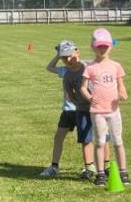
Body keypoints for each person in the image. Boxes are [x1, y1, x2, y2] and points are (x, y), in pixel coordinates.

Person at [80, 28, 131, 186]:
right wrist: (90, 98)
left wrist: (123, 93)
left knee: (118, 142)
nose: (102, 49)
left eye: (105, 46)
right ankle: (100, 173)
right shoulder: (90, 67)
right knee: (100, 142)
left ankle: (123, 172)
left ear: (110, 46)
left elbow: (121, 85)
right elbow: (83, 88)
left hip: (113, 110)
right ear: (92, 47)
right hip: (98, 112)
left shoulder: (116, 66)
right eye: (99, 46)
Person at [39, 40, 94, 178]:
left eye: (69, 55)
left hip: (83, 110)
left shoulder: (87, 66)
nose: (67, 60)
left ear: (77, 52)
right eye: (64, 57)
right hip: (68, 109)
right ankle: (54, 167)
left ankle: (89, 166)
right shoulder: (65, 70)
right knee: (58, 137)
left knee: (86, 140)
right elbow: (49, 67)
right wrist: (58, 55)